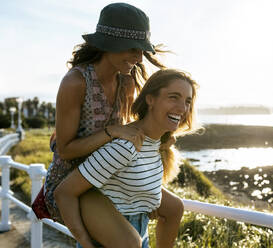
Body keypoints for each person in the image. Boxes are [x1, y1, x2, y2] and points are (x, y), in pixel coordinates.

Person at [41, 3, 184, 247]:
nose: (139, 58)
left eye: (141, 50)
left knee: (174, 208)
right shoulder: (75, 81)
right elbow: (64, 150)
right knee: (130, 243)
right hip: (75, 182)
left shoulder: (126, 82)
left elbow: (128, 132)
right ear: (109, 43)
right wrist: (112, 132)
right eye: (132, 48)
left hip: (109, 175)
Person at [54, 69, 199, 248]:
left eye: (187, 101)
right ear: (150, 99)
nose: (182, 108)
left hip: (140, 234)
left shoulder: (158, 142)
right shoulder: (125, 146)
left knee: (175, 207)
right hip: (114, 241)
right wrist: (84, 243)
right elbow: (63, 192)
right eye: (173, 97)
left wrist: (147, 200)